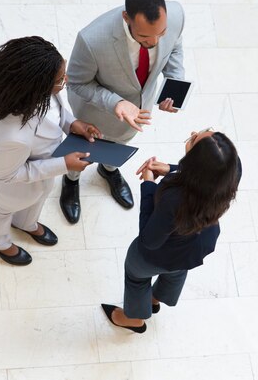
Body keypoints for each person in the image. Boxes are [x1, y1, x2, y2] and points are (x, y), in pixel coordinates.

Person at [60, 0, 186, 223]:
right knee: (82, 152)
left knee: (118, 144)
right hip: (95, 112)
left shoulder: (176, 15)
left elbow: (175, 46)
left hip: (138, 111)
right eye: (145, 37)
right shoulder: (92, 40)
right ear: (126, 17)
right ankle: (71, 181)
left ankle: (108, 170)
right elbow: (76, 83)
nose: (155, 42)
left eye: (160, 33)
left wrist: (174, 83)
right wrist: (115, 102)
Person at [101, 128, 242, 333]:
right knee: (176, 271)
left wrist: (149, 185)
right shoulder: (232, 172)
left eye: (194, 140)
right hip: (196, 246)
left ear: (195, 163)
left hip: (158, 253)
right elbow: (210, 174)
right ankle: (155, 299)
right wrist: (171, 169)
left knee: (136, 275)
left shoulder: (175, 198)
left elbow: (149, 240)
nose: (193, 133)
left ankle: (134, 319)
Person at [0, 36, 102, 266]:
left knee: (40, 195)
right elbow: (5, 175)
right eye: (60, 79)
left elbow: (58, 114)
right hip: (15, 186)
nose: (64, 81)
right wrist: (64, 164)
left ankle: (25, 223)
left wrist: (72, 124)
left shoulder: (49, 92)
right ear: (37, 85)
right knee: (3, 209)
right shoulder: (12, 135)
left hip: (44, 172)